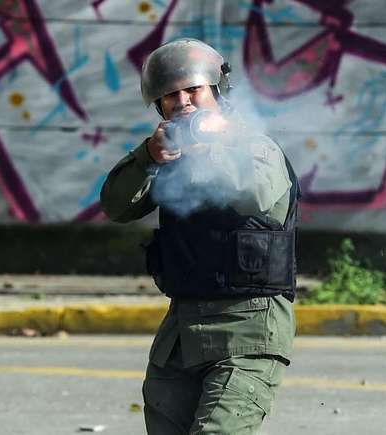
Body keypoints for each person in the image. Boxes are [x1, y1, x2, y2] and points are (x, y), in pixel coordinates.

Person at [100, 38, 299, 434]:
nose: (184, 102)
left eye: (193, 90)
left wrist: (209, 145)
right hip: (183, 334)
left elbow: (255, 193)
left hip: (248, 330)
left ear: (218, 92)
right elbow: (116, 206)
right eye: (171, 95)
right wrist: (148, 157)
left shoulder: (255, 147)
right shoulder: (166, 156)